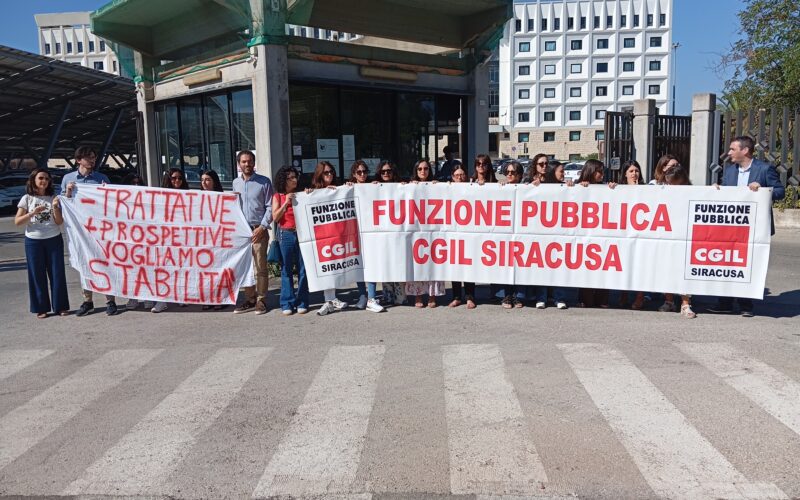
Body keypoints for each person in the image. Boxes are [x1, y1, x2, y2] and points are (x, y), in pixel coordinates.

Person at [709, 135, 785, 317]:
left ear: (745, 150)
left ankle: (746, 304)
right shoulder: (729, 171)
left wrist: (764, 189)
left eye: (732, 149)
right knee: (727, 264)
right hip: (732, 227)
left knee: (747, 265)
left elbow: (780, 191)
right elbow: (727, 194)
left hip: (755, 228)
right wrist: (717, 189)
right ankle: (725, 302)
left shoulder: (764, 169)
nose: (728, 153)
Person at [61, 146, 118, 316]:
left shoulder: (102, 178)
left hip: (100, 231)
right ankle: (88, 301)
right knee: (84, 263)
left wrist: (105, 192)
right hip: (80, 230)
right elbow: (64, 204)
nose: (92, 160)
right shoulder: (68, 178)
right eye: (88, 158)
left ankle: (110, 300)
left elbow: (112, 204)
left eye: (93, 157)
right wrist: (69, 192)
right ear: (79, 160)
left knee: (105, 263)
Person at [15, 168, 69, 319]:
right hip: (33, 241)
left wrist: (55, 207)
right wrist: (32, 213)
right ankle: (41, 307)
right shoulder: (27, 198)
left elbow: (59, 222)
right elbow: (17, 221)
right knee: (36, 275)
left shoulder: (53, 197)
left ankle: (61, 306)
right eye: (40, 178)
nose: (44, 181)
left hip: (53, 239)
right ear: (33, 180)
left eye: (46, 178)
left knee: (57, 273)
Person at [231, 150, 274, 315]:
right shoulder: (235, 183)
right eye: (243, 162)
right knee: (244, 268)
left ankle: (261, 300)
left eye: (249, 161)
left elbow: (270, 206)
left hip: (259, 230)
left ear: (254, 163)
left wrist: (262, 227)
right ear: (239, 164)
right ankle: (249, 299)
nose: (247, 164)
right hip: (242, 232)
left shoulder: (264, 182)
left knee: (260, 268)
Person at [307, 161, 350, 316]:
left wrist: (341, 190)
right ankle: (329, 299)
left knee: (335, 266)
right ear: (319, 174)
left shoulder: (337, 188)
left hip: (336, 234)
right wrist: (310, 193)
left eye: (331, 171)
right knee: (325, 266)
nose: (330, 175)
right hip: (321, 236)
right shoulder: (313, 191)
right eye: (326, 173)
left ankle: (331, 299)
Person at [148, 168, 190, 313]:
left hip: (182, 237)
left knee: (180, 267)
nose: (177, 181)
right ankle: (162, 300)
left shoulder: (190, 195)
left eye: (179, 178)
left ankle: (180, 296)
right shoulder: (160, 196)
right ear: (168, 179)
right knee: (162, 269)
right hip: (164, 238)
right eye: (174, 178)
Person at [406, 159, 446, 307]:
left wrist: (439, 187)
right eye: (420, 169)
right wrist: (406, 187)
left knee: (432, 262)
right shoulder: (410, 186)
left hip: (432, 229)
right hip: (416, 230)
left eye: (426, 169)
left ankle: (432, 295)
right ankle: (417, 295)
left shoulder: (436, 185)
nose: (423, 171)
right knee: (416, 262)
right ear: (416, 171)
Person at [659, 165, 697, 318]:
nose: (670, 186)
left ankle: (685, 303)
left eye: (673, 183)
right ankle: (669, 301)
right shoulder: (662, 191)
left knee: (684, 270)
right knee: (667, 268)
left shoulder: (692, 192)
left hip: (685, 237)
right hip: (667, 235)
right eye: (668, 183)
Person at [576, 159, 615, 308]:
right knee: (586, 267)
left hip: (602, 234)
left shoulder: (605, 187)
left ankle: (602, 299)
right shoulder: (580, 186)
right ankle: (585, 299)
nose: (602, 174)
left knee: (604, 267)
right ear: (591, 171)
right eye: (599, 171)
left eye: (602, 171)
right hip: (585, 234)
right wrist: (578, 187)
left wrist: (614, 188)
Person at [533, 160, 571, 310]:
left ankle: (559, 297)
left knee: (558, 265)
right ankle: (541, 297)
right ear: (553, 172)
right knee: (543, 265)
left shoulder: (566, 187)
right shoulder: (541, 187)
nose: (564, 174)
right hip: (543, 232)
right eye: (561, 171)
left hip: (560, 232)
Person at [347, 160, 384, 312]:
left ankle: (372, 297)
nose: (362, 175)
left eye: (364, 172)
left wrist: (377, 188)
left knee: (372, 263)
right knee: (358, 264)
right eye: (359, 172)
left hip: (370, 232)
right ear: (354, 174)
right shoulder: (348, 188)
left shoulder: (372, 187)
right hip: (354, 231)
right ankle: (363, 294)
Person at [272, 166, 310, 316]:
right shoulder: (278, 196)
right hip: (286, 234)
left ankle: (302, 302)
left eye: (295, 177)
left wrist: (308, 194)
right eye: (291, 178)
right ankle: (287, 302)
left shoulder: (301, 194)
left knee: (303, 269)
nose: (294, 180)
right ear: (284, 180)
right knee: (286, 269)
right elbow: (275, 217)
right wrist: (285, 203)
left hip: (301, 233)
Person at [376, 161, 406, 306]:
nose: (386, 174)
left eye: (388, 171)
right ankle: (388, 295)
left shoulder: (401, 187)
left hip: (398, 232)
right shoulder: (375, 188)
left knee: (398, 262)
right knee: (385, 263)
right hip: (382, 233)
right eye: (383, 172)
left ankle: (400, 295)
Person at [617, 160, 647, 310]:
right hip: (624, 234)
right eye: (631, 171)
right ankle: (623, 294)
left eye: (637, 170)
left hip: (641, 234)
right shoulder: (618, 189)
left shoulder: (647, 189)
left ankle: (639, 297)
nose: (635, 174)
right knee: (625, 265)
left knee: (639, 266)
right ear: (625, 174)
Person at [198, 169, 227, 311]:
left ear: (214, 181)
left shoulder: (222, 197)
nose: (204, 182)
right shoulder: (196, 197)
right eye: (202, 180)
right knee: (205, 271)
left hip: (218, 239)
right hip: (203, 240)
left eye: (208, 179)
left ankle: (220, 298)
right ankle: (207, 298)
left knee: (218, 269)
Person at [448, 165, 476, 309]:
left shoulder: (472, 188)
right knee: (455, 267)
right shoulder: (447, 188)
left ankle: (470, 297)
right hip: (453, 233)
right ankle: (457, 297)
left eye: (462, 175)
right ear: (452, 177)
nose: (460, 177)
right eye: (457, 175)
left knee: (468, 266)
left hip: (469, 232)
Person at [499, 161, 526, 309]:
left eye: (513, 172)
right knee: (504, 265)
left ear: (520, 175)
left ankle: (517, 296)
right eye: (507, 172)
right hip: (505, 234)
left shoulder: (526, 188)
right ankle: (506, 296)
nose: (509, 174)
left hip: (520, 234)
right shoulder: (501, 188)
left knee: (519, 265)